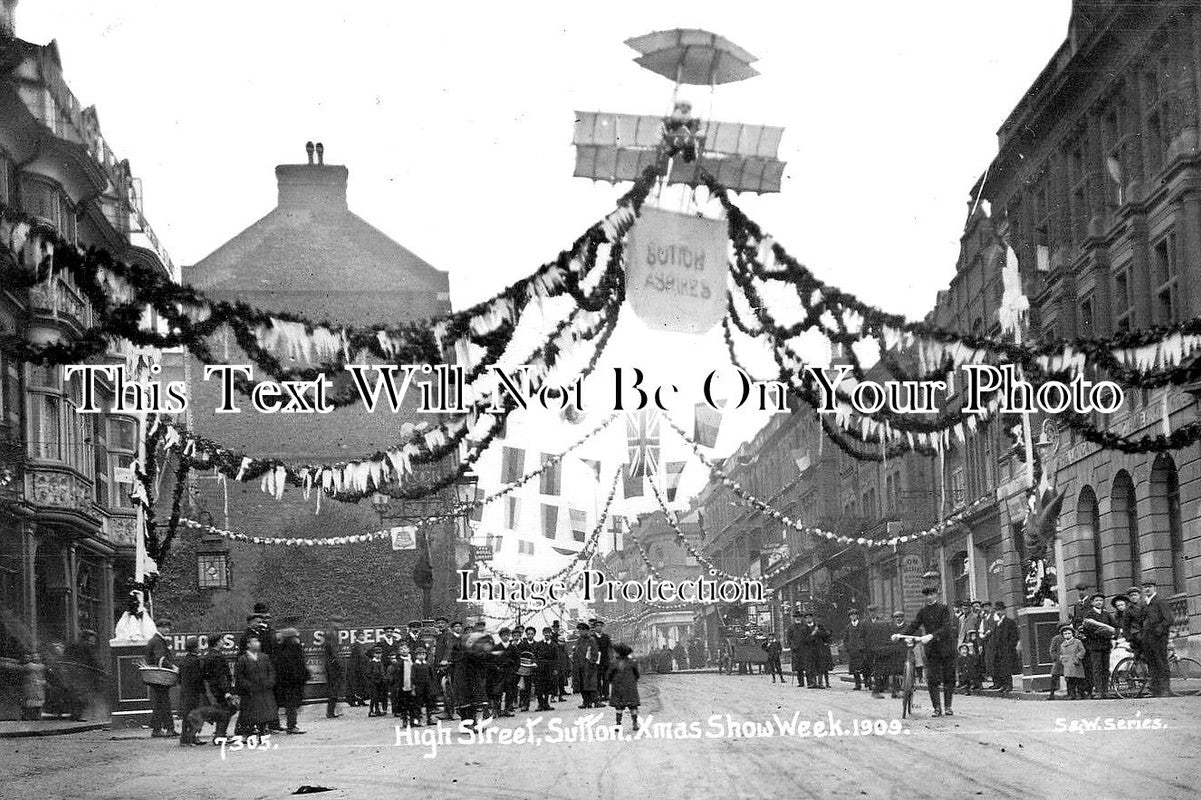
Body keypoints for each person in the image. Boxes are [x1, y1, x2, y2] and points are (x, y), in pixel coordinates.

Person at [896, 584, 958, 717]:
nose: (929, 597)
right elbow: (914, 625)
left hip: (946, 648)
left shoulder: (944, 609)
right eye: (927, 595)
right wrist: (900, 635)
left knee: (948, 678)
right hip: (932, 650)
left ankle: (948, 706)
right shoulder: (923, 611)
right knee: (932, 679)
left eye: (932, 594)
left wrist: (931, 635)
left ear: (936, 595)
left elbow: (946, 627)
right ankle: (937, 708)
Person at [195, 634, 235, 744]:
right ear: (217, 642)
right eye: (221, 640)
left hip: (212, 688)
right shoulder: (217, 656)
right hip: (218, 689)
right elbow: (220, 676)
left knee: (224, 711)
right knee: (225, 711)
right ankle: (220, 736)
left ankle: (219, 734)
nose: (223, 642)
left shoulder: (209, 655)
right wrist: (226, 691)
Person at [234, 635, 277, 737]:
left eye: (258, 641)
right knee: (249, 712)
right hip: (250, 691)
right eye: (254, 642)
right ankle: (246, 732)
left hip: (264, 689)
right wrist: (247, 686)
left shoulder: (264, 657)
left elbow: (271, 671)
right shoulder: (243, 659)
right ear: (248, 645)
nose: (257, 643)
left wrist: (270, 682)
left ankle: (262, 730)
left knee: (264, 712)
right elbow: (239, 676)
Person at [1140, 579, 1175, 697]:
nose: (1147, 589)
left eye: (1149, 586)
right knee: (1151, 664)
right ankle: (1155, 690)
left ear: (1155, 588)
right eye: (1145, 587)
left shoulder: (1160, 601)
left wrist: (1159, 630)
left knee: (1161, 663)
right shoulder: (1144, 603)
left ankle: (1165, 689)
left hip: (1159, 638)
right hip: (1147, 638)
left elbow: (1169, 619)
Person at [1080, 593, 1117, 699]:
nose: (1099, 602)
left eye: (1101, 600)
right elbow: (1086, 630)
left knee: (1106, 668)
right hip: (1095, 645)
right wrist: (1099, 633)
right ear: (1092, 603)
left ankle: (1105, 691)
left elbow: (1115, 626)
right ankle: (1098, 691)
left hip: (1106, 645)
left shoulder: (1107, 614)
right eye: (1096, 600)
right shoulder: (1089, 615)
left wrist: (1111, 634)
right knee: (1097, 668)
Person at [146, 618, 177, 737]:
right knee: (165, 703)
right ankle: (169, 728)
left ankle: (157, 729)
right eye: (164, 627)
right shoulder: (158, 641)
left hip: (155, 677)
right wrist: (173, 667)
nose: (167, 629)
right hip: (160, 676)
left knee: (159, 703)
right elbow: (160, 659)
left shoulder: (156, 639)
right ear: (158, 628)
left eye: (168, 627)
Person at [275, 628, 309, 734]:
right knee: (291, 705)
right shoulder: (293, 650)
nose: (298, 639)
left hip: (286, 682)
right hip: (291, 682)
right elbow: (296, 666)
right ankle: (291, 726)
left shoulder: (282, 649)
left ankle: (276, 725)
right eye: (295, 637)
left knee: (286, 704)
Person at [176, 637, 206, 745]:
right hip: (194, 692)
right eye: (198, 646)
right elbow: (197, 678)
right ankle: (191, 737)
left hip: (185, 691)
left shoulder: (183, 661)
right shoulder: (196, 661)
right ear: (194, 648)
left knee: (186, 716)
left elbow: (179, 677)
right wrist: (202, 690)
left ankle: (185, 738)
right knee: (195, 715)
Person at [607, 643, 640, 732]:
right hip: (630, 687)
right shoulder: (632, 661)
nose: (614, 654)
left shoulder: (614, 662)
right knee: (633, 706)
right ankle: (635, 723)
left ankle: (618, 724)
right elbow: (637, 674)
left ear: (619, 653)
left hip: (618, 687)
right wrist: (633, 681)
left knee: (619, 707)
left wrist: (611, 681)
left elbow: (609, 674)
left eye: (615, 652)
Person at [991, 602, 1020, 694]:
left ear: (1004, 610)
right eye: (997, 610)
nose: (998, 612)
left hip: (1007, 650)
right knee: (1001, 667)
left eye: (1000, 610)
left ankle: (1009, 685)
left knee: (1007, 668)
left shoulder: (1010, 622)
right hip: (999, 650)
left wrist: (1009, 647)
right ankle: (1003, 685)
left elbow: (1014, 636)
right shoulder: (997, 624)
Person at [572, 622, 601, 707]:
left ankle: (596, 701)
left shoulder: (591, 640)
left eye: (582, 630)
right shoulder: (579, 641)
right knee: (582, 685)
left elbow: (595, 653)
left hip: (589, 667)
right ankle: (586, 701)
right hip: (580, 666)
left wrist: (591, 662)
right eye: (579, 630)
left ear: (587, 631)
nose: (580, 632)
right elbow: (576, 652)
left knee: (591, 685)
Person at [1058, 625, 1087, 700]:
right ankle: (1071, 694)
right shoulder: (1062, 645)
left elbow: (1082, 650)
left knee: (1078, 680)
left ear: (1072, 634)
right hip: (1067, 664)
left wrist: (1078, 658)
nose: (1067, 635)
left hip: (1075, 663)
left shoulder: (1077, 642)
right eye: (1065, 634)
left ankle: (1081, 694)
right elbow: (1061, 653)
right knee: (1069, 680)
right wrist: (1062, 659)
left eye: (1069, 633)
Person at [411, 646, 438, 726]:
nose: (421, 656)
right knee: (418, 704)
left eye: (423, 654)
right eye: (419, 654)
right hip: (419, 687)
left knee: (429, 702)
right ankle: (417, 720)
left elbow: (432, 676)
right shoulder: (414, 666)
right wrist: (413, 688)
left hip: (427, 687)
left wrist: (432, 687)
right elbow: (412, 677)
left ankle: (429, 719)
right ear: (416, 656)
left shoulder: (428, 665)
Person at [533, 627, 558, 712]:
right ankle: (540, 704)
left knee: (548, 686)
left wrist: (555, 669)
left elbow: (556, 658)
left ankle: (546, 703)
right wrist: (535, 663)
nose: (547, 634)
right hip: (540, 668)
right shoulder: (539, 644)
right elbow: (534, 655)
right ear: (543, 634)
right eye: (545, 633)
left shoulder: (554, 645)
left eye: (548, 633)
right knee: (539, 686)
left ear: (551, 634)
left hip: (549, 668)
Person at [321, 626, 343, 718]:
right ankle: (331, 712)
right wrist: (340, 667)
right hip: (333, 670)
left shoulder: (327, 644)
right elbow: (335, 657)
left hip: (330, 669)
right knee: (334, 691)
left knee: (332, 690)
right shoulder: (331, 645)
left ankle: (332, 711)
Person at [845, 610, 868, 690]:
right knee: (855, 669)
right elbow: (846, 639)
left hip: (861, 650)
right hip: (853, 651)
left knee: (865, 667)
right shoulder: (848, 627)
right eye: (851, 615)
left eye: (854, 615)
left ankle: (868, 683)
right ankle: (857, 684)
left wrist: (864, 646)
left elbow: (866, 636)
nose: (853, 617)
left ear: (857, 616)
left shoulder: (862, 625)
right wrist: (848, 647)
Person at [19, 652, 45, 720]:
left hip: (35, 687)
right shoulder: (35, 666)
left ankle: (31, 717)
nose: (35, 658)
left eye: (37, 656)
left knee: (31, 702)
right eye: (34, 657)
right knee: (32, 702)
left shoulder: (29, 666)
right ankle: (33, 717)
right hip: (33, 686)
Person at [593, 620, 613, 704]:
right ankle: (599, 695)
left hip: (605, 660)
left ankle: (606, 694)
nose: (599, 627)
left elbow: (610, 648)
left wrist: (610, 658)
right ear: (595, 627)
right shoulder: (592, 637)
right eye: (597, 626)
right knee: (597, 678)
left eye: (600, 626)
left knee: (606, 678)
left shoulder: (606, 637)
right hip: (596, 661)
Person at [345, 631, 367, 707]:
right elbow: (360, 657)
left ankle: (361, 700)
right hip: (355, 668)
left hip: (360, 668)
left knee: (361, 685)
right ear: (356, 637)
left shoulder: (361, 645)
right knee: (353, 685)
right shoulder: (356, 645)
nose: (362, 637)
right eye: (360, 636)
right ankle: (351, 701)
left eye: (362, 635)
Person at [785, 612, 807, 687]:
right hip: (796, 650)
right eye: (796, 617)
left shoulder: (805, 626)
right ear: (794, 619)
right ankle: (801, 682)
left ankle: (810, 681)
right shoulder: (791, 628)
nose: (798, 618)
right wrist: (792, 646)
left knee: (807, 666)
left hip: (804, 649)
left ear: (801, 618)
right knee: (798, 667)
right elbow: (788, 638)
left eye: (799, 617)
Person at [367, 646, 388, 717]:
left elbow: (382, 673)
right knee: (374, 697)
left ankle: (377, 710)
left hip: (380, 683)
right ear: (374, 654)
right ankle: (371, 711)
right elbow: (368, 674)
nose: (379, 655)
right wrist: (373, 680)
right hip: (373, 683)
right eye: (377, 653)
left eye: (380, 653)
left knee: (378, 697)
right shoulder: (371, 663)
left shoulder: (381, 662)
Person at [813, 618, 833, 688]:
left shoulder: (820, 631)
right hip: (819, 650)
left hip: (823, 650)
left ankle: (824, 682)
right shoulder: (816, 630)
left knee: (823, 667)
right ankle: (820, 682)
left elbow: (828, 638)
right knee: (820, 667)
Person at [1047, 626, 1064, 701]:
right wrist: (1056, 658)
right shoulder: (1056, 639)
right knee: (1054, 676)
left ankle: (1072, 693)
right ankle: (1052, 694)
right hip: (1059, 661)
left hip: (1069, 661)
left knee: (1071, 677)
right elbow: (1052, 650)